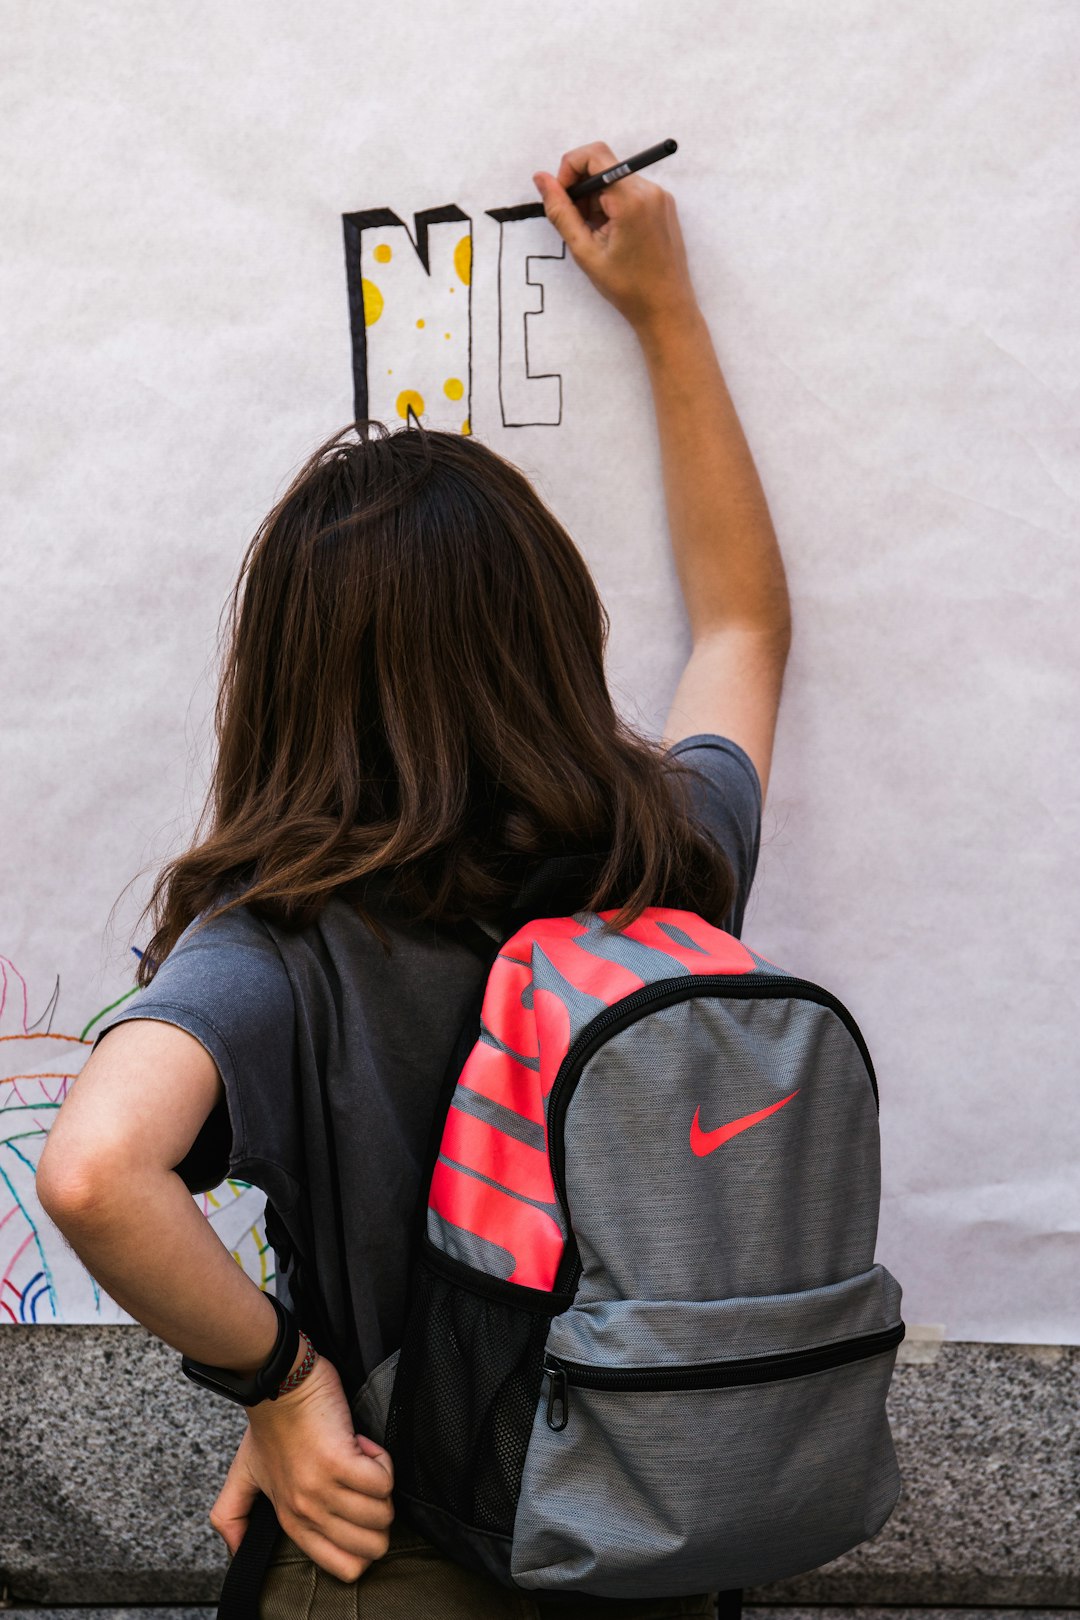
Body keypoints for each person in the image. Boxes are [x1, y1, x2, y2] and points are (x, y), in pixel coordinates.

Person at [36, 140, 792, 1618]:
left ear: (285, 690)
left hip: (398, 1551)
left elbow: (90, 1170)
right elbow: (745, 629)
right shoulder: (669, 851)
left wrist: (285, 1388)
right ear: (550, 628)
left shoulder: (281, 943)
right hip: (664, 1532)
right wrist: (665, 313)